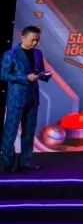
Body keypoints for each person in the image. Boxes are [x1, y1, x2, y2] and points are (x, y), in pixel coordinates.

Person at [1, 26, 50, 173]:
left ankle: (25, 161)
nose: (35, 43)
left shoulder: (38, 53)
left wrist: (44, 75)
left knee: (29, 132)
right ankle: (6, 163)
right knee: (10, 131)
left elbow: (39, 71)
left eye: (37, 40)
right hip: (16, 98)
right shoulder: (11, 54)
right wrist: (25, 78)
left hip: (32, 98)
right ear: (23, 38)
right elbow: (4, 75)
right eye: (33, 40)